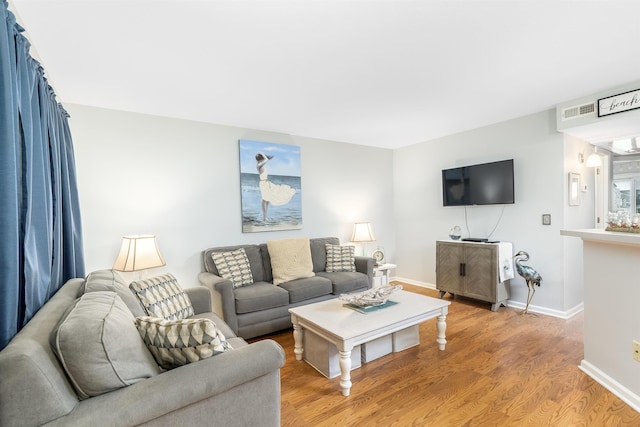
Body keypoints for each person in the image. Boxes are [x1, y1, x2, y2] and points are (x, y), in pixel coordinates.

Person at [255, 152, 295, 221]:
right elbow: (266, 159)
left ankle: (265, 217)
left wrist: (263, 155)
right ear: (260, 159)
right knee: (264, 199)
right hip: (264, 183)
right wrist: (262, 153)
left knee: (268, 199)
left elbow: (266, 160)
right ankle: (264, 217)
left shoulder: (261, 164)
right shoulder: (259, 165)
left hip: (266, 182)